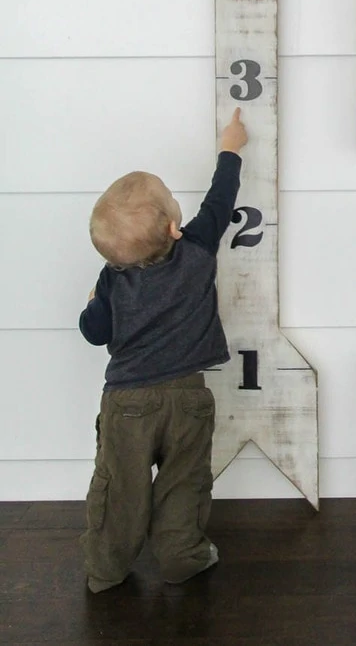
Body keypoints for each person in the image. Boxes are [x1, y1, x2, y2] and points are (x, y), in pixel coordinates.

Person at [79, 108, 248, 593]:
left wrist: (91, 306)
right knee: (184, 482)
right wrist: (230, 147)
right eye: (174, 202)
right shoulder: (196, 249)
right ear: (175, 227)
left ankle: (106, 569)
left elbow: (95, 333)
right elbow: (221, 200)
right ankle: (181, 556)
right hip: (189, 399)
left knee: (121, 490)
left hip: (128, 403)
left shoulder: (112, 280)